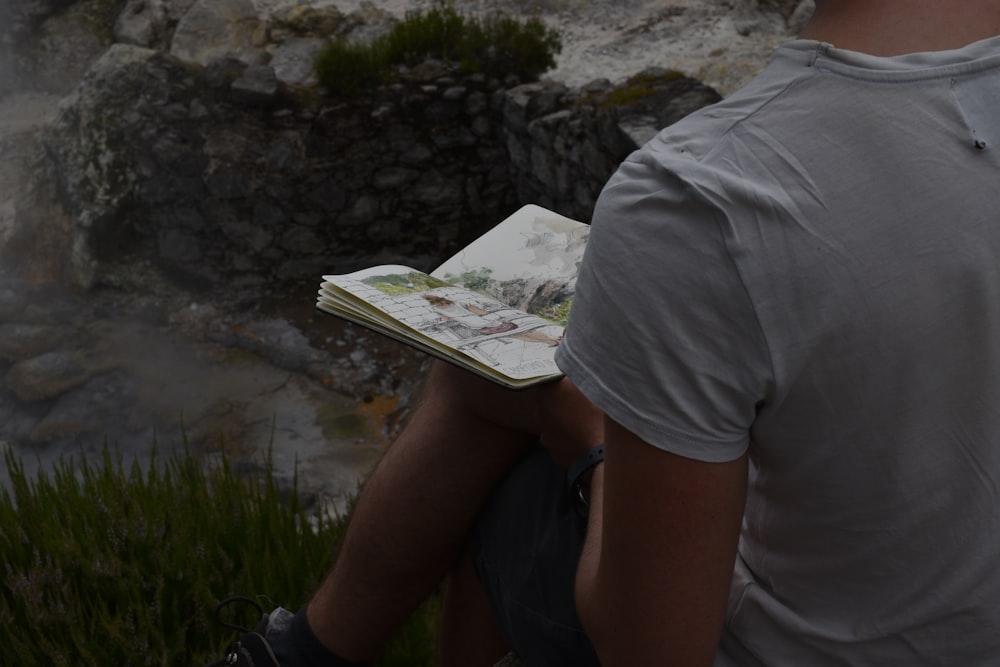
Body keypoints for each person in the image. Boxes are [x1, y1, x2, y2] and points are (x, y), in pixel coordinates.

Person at [213, 1, 1000, 664]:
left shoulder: (707, 192)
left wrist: (591, 445)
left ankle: (303, 654)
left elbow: (650, 650)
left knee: (505, 423)